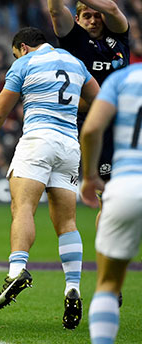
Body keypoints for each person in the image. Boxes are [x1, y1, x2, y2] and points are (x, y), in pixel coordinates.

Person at [0, 27, 99, 329]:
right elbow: (98, 100)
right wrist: (69, 107)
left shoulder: (25, 63)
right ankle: (73, 287)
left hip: (38, 140)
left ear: (22, 47)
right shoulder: (74, 62)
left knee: (23, 208)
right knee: (67, 222)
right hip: (70, 146)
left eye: (15, 53)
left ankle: (17, 269)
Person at [47, 0, 130, 307]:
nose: (93, 19)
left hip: (117, 130)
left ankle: (107, 273)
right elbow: (56, 9)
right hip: (80, 127)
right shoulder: (72, 40)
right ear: (77, 19)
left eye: (95, 16)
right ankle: (80, 280)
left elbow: (111, 7)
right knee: (80, 201)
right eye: (86, 16)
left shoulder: (120, 38)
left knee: (111, 202)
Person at [79, 63, 142, 344]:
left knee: (108, 285)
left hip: (126, 183)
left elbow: (91, 130)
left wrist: (90, 177)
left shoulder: (122, 78)